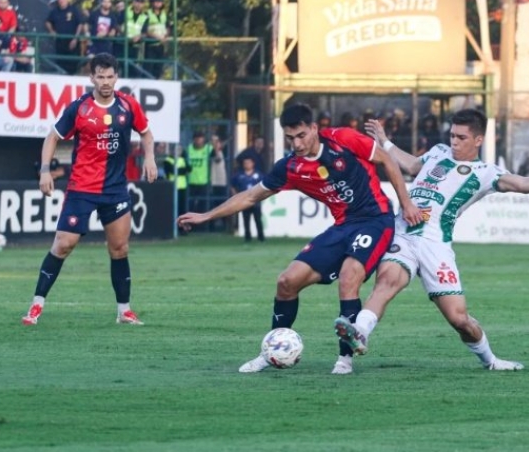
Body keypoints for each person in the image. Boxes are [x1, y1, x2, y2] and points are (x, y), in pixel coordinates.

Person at [333, 109, 529, 371]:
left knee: (459, 319)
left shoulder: (485, 172)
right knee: (387, 282)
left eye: (461, 137)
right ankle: (360, 332)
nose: (454, 141)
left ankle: (491, 361)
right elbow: (411, 165)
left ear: (478, 140)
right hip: (404, 234)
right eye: (453, 135)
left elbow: (522, 183)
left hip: (435, 245)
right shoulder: (438, 152)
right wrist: (385, 141)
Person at [177, 103, 422, 374]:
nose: (296, 143)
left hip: (376, 220)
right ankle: (271, 351)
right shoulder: (291, 167)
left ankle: (345, 360)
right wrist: (206, 216)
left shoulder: (343, 139)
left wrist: (406, 204)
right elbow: (250, 196)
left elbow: (386, 160)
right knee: (287, 282)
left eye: (301, 135)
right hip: (342, 226)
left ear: (314, 128)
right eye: (290, 138)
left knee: (348, 276)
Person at [22, 53, 158, 326]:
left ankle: (124, 311)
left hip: (115, 189)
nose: (105, 82)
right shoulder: (80, 108)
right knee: (63, 244)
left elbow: (145, 133)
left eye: (110, 76)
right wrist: (45, 170)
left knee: (119, 248)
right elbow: (52, 136)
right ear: (91, 78)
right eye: (100, 77)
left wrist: (150, 158)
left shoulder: (128, 105)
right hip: (82, 188)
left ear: (116, 77)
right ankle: (36, 306)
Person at [46, 0, 84, 74]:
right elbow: (48, 21)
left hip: (72, 42)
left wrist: (75, 38)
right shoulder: (55, 11)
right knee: (61, 64)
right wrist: (51, 31)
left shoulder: (74, 10)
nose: (62, 1)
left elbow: (80, 24)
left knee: (73, 64)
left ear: (67, 0)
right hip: (60, 42)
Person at [230, 156, 265, 243]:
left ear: (253, 163)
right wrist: (236, 195)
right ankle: (247, 237)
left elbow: (264, 185)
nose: (247, 164)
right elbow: (232, 185)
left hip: (256, 201)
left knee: (258, 219)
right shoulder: (239, 175)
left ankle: (261, 237)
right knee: (246, 220)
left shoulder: (258, 175)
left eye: (249, 162)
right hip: (244, 201)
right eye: (245, 163)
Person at [143, 0, 170, 79]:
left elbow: (168, 26)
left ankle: (157, 80)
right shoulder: (147, 14)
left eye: (160, 2)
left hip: (161, 44)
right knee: (149, 66)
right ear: (152, 3)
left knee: (159, 66)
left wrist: (166, 36)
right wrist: (156, 37)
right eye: (156, 2)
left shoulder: (164, 14)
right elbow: (145, 30)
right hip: (151, 44)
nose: (158, 3)